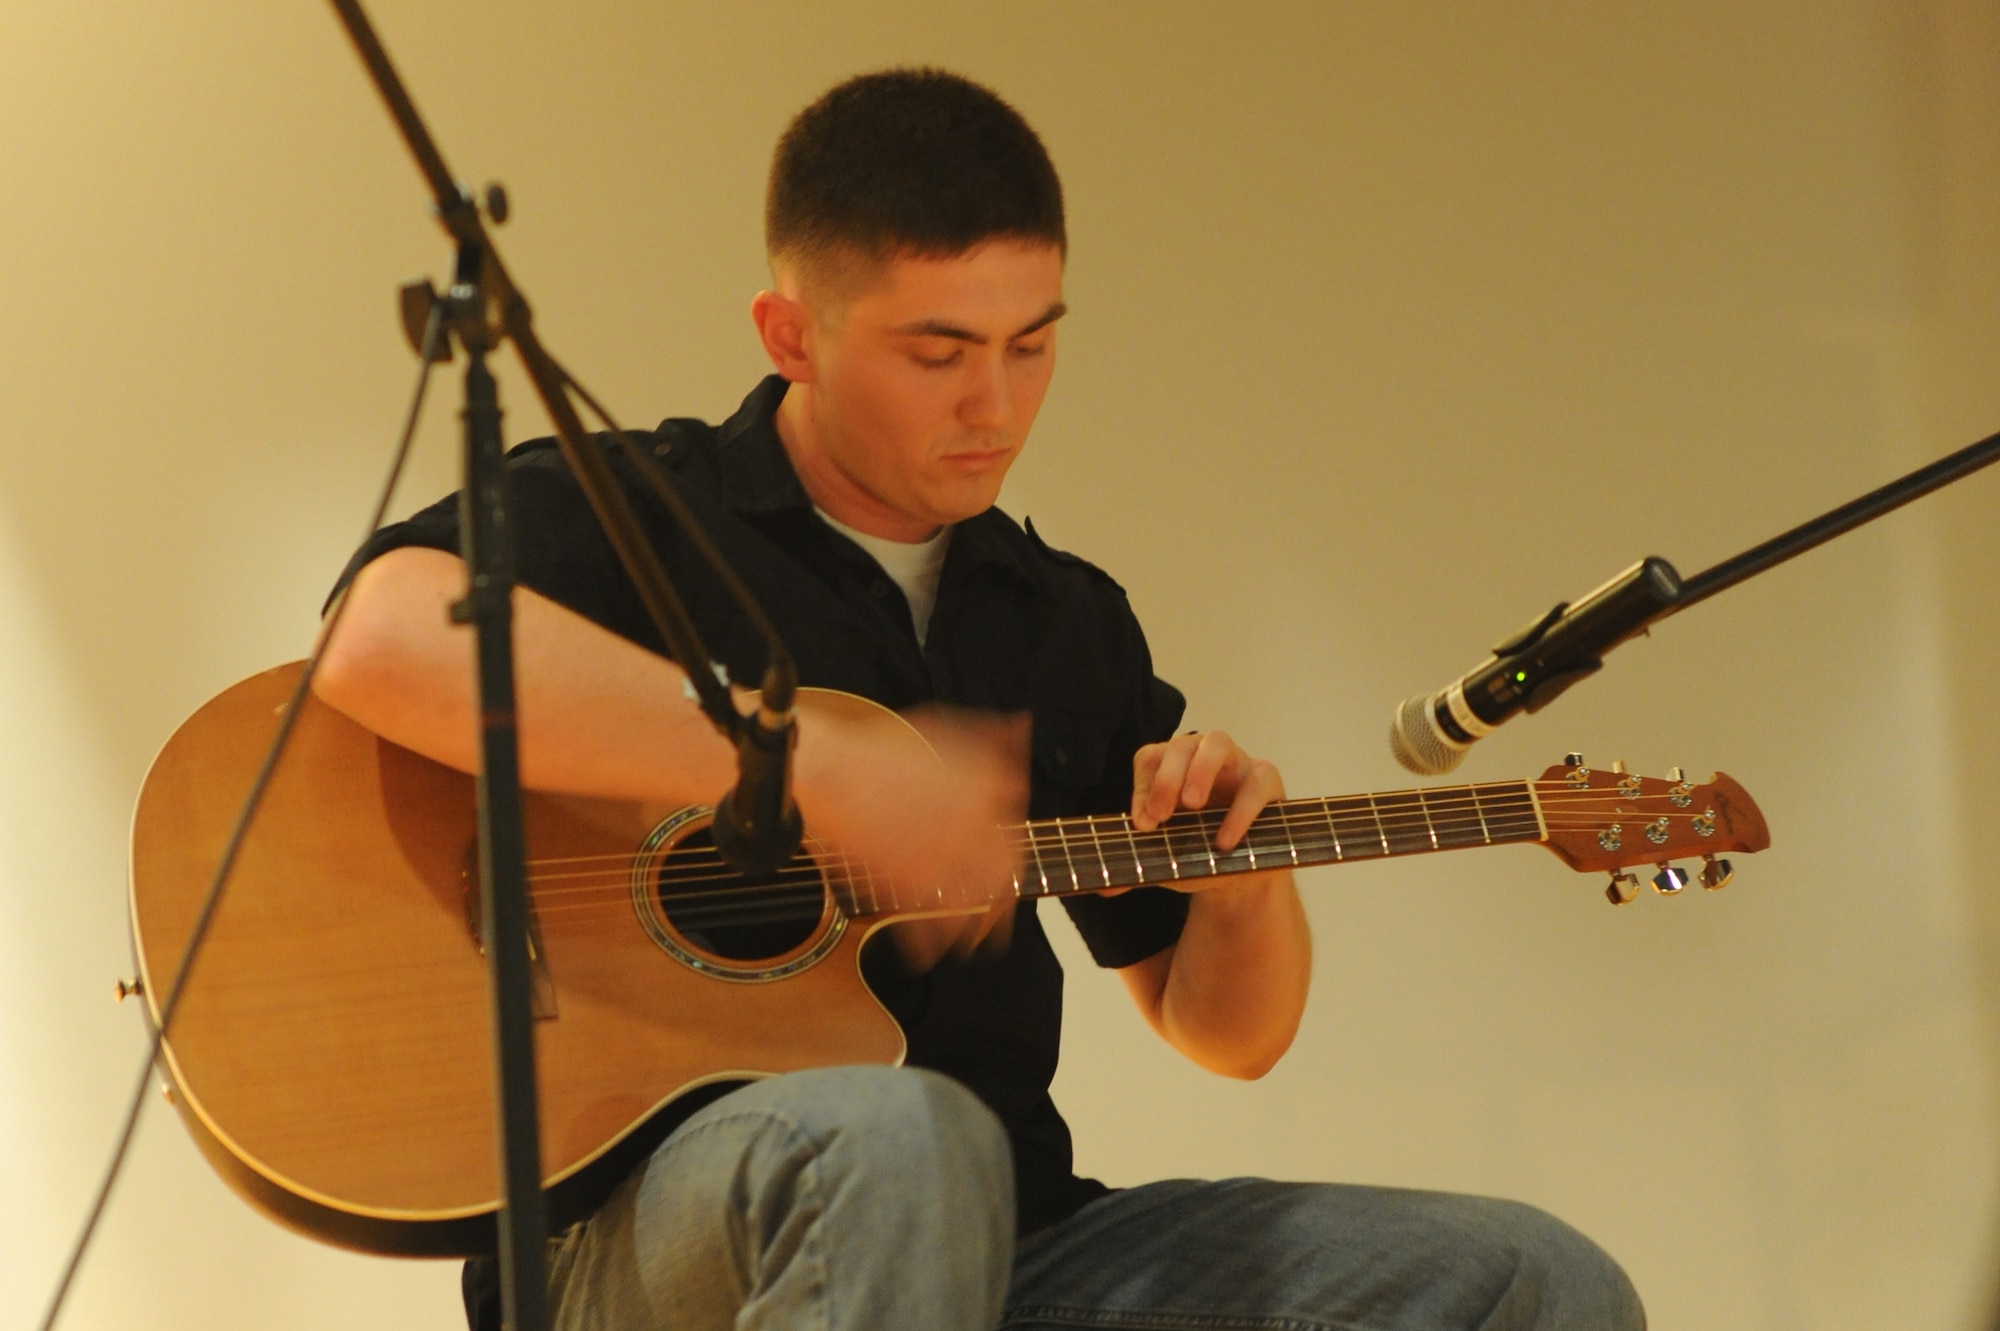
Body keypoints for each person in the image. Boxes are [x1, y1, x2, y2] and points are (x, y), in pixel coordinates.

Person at [317, 68, 1644, 1331]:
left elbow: (1221, 1032)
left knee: (1532, 1283)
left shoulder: (1061, 619)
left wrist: (1245, 883)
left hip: (1012, 1244)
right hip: (633, 1243)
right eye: (938, 351)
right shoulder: (641, 514)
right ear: (793, 335)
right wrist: (802, 765)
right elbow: (376, 643)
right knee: (904, 1137)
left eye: (1030, 344)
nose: (995, 405)